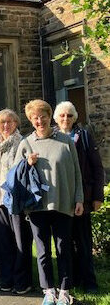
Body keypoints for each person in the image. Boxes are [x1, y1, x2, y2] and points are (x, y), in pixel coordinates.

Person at [14, 99, 84, 305]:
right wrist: (27, 162)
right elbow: (16, 175)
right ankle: (48, 291)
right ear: (30, 120)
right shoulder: (26, 143)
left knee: (64, 249)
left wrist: (79, 198)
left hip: (63, 203)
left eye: (43, 116)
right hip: (37, 207)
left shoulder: (65, 141)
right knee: (43, 251)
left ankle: (64, 290)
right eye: (35, 117)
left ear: (48, 116)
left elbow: (77, 174)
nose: (39, 120)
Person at [54, 101, 104, 293]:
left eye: (69, 115)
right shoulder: (52, 136)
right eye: (62, 116)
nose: (65, 119)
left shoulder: (82, 136)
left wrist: (97, 196)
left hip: (81, 198)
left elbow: (97, 168)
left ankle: (89, 282)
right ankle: (70, 280)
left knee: (83, 242)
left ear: (74, 118)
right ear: (56, 118)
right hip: (60, 200)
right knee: (64, 242)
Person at [0, 109, 33, 293]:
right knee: (4, 242)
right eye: (2, 122)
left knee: (20, 242)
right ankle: (7, 278)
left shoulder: (22, 142)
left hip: (15, 200)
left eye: (10, 122)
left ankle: (23, 281)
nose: (6, 126)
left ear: (16, 124)